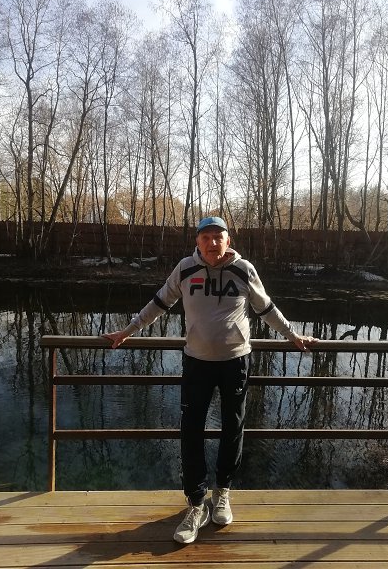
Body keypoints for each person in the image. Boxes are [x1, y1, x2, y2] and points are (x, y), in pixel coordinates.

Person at [102, 216, 316, 544]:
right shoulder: (186, 268)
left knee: (233, 428)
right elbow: (160, 302)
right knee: (191, 431)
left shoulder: (243, 270)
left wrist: (292, 335)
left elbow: (266, 308)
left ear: (228, 241)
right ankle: (196, 503)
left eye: (218, 237)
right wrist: (128, 331)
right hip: (197, 363)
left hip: (235, 363)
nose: (212, 243)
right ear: (197, 242)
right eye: (206, 237)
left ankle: (223, 492)